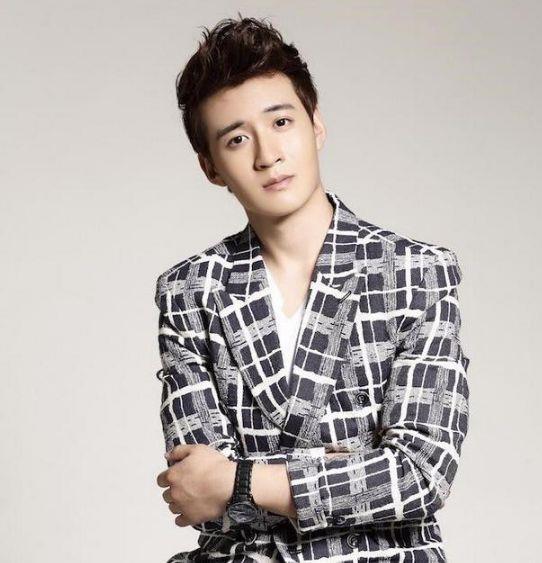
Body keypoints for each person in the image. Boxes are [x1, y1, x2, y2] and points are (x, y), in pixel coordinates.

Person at [154, 13, 471, 563]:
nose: (267, 155)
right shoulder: (190, 291)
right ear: (211, 167)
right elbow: (198, 493)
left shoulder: (416, 272)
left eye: (281, 122)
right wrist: (354, 473)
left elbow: (420, 474)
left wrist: (242, 479)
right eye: (236, 139)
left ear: (316, 124)